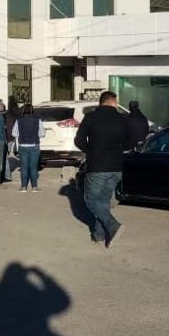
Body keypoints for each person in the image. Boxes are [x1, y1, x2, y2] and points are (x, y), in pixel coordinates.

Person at [74, 91, 129, 248]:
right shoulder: (122, 119)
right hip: (116, 166)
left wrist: (90, 150)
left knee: (90, 199)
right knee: (103, 201)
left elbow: (79, 140)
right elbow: (130, 140)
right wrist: (118, 150)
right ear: (112, 102)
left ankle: (112, 225)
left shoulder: (91, 117)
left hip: (97, 165)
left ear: (101, 102)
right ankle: (99, 235)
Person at [12, 104, 45, 192]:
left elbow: (14, 133)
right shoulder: (37, 120)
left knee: (24, 167)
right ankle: (34, 187)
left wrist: (22, 134)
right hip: (34, 145)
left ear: (23, 110)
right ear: (32, 110)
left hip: (22, 145)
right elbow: (42, 133)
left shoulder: (18, 120)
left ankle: (23, 187)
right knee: (33, 167)